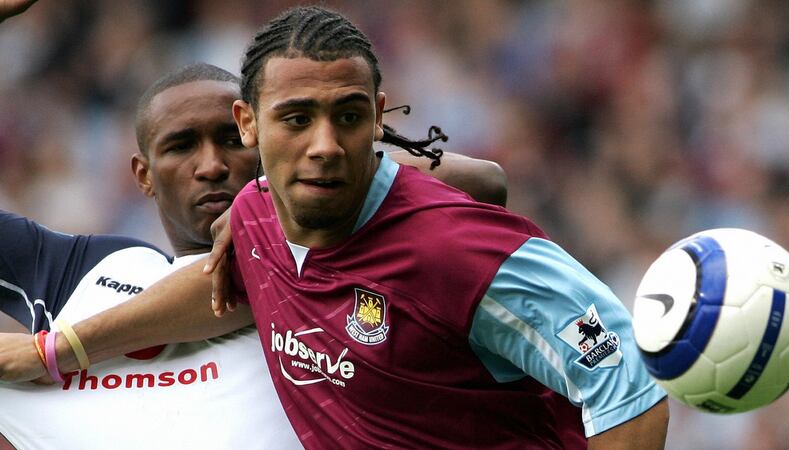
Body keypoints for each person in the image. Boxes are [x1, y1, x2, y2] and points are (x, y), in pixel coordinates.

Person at [0, 5, 668, 449]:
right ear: (251, 124)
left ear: (376, 119)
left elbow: (622, 380)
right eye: (296, 120)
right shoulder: (244, 227)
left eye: (346, 117)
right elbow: (216, 288)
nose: (322, 145)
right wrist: (57, 352)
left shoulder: (454, 247)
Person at [0, 57, 508, 449]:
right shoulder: (88, 271)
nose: (212, 165)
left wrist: (281, 204)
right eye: (181, 147)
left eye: (231, 140)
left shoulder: (339, 254)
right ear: (143, 175)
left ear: (261, 138)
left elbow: (482, 181)